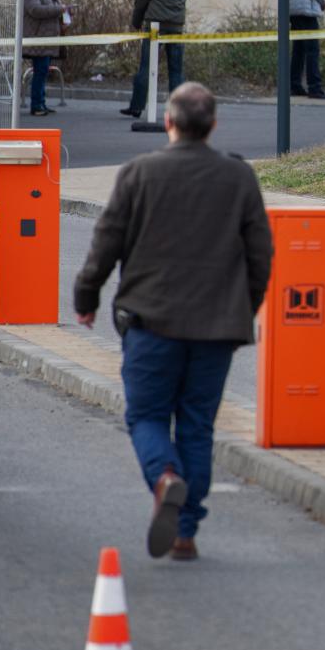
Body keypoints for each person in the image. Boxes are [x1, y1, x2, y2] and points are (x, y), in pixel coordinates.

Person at [74, 83, 272, 561]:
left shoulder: (138, 172)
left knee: (145, 416)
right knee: (198, 425)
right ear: (214, 126)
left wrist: (86, 296)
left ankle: (165, 477)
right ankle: (185, 531)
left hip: (150, 321)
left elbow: (106, 243)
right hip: (215, 329)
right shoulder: (238, 177)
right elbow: (261, 253)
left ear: (168, 121)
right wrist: (243, 307)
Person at [121, 0, 193, 118]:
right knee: (176, 70)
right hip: (177, 28)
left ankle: (136, 107)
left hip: (155, 28)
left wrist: (136, 23)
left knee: (146, 68)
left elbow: (140, 4)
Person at [21, 0, 68, 117]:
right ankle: (36, 105)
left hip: (47, 39)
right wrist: (58, 9)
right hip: (37, 38)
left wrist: (65, 12)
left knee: (43, 72)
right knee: (40, 72)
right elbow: (35, 10)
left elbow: (54, 10)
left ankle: (41, 103)